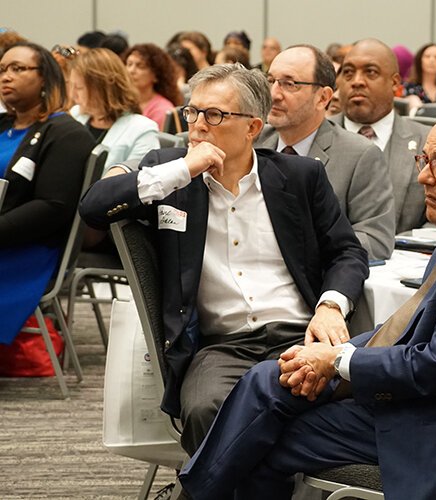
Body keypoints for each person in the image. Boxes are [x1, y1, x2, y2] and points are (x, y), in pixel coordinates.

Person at [177, 106, 436, 499]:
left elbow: (433, 366)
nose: (423, 176)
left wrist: (337, 361)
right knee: (267, 381)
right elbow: (406, 330)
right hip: (424, 399)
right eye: (424, 160)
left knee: (262, 437)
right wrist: (333, 355)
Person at [79, 63, 369, 456]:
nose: (198, 124)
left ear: (252, 127)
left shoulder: (300, 176)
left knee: (342, 400)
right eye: (192, 112)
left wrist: (331, 306)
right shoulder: (169, 176)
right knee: (205, 409)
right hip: (221, 346)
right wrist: (183, 168)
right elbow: (93, 207)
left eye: (214, 115)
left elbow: (347, 251)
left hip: (298, 335)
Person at [256, 44, 396, 260]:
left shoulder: (359, 155)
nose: (274, 94)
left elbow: (375, 241)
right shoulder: (253, 142)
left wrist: (290, 248)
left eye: (289, 84)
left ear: (323, 98)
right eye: (271, 81)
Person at [0, 42, 95, 343]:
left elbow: (52, 207)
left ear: (45, 77)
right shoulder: (3, 125)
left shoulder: (67, 134)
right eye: (2, 69)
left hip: (26, 249)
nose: (6, 76)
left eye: (18, 69)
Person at [330, 38, 432, 234]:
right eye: (348, 73)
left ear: (395, 83)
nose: (357, 81)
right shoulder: (316, 136)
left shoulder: (426, 141)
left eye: (370, 72)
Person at [68, 48, 159, 171]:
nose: (72, 95)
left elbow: (136, 182)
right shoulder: (76, 115)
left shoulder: (142, 130)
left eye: (78, 88)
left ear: (102, 89)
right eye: (71, 85)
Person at [123, 43, 183, 129]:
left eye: (140, 66)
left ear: (156, 76)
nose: (131, 71)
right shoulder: (121, 102)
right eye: (129, 64)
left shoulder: (162, 109)